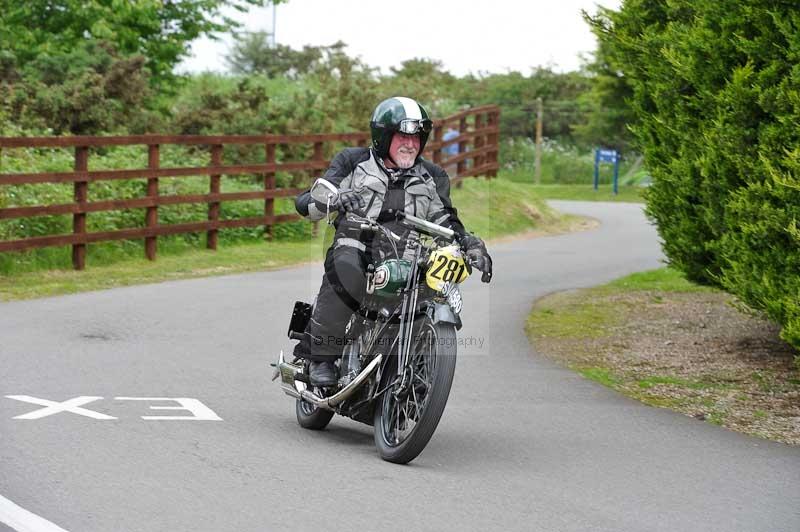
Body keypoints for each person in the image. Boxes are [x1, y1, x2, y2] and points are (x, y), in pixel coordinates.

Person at [293, 96, 493, 386]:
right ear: (383, 135)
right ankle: (321, 357)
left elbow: (446, 218)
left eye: (416, 137)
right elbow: (309, 202)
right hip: (358, 244)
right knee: (347, 269)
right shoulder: (353, 161)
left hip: (408, 254)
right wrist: (335, 200)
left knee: (434, 289)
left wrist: (471, 244)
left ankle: (412, 371)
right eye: (403, 135)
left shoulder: (432, 176)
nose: (411, 144)